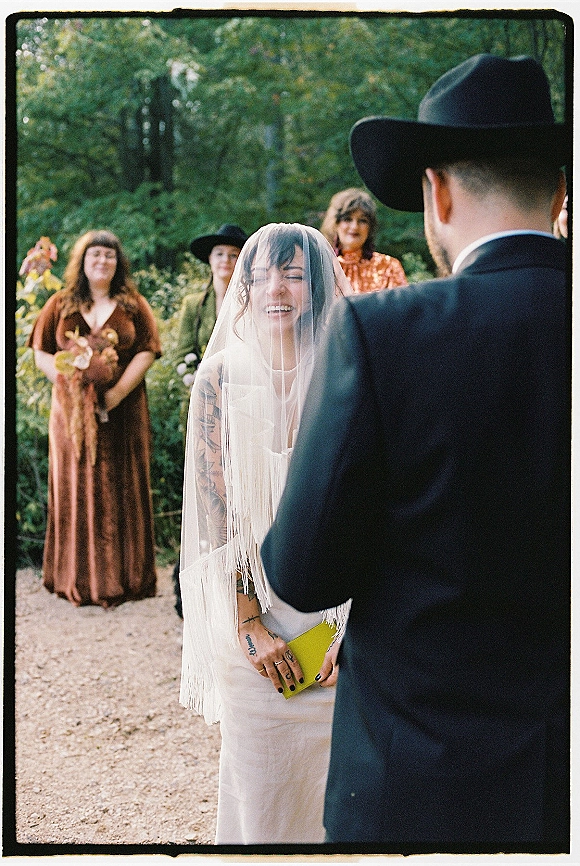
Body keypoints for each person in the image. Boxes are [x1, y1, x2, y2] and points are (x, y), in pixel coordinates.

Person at [261, 54, 570, 850]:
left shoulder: (384, 333)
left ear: (435, 193)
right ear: (560, 192)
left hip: (423, 785)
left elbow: (302, 571)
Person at [178, 223, 352, 844]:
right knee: (260, 789)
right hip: (249, 607)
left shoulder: (346, 372)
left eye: (296, 274)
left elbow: (371, 506)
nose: (278, 288)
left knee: (337, 801)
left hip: (336, 620)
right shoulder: (221, 378)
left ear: (319, 285)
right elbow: (214, 508)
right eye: (263, 274)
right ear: (243, 287)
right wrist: (250, 625)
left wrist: (347, 627)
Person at [28, 229, 162, 608]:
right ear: (82, 262)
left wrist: (116, 395)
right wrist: (69, 382)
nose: (102, 261)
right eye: (94, 255)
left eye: (109, 255)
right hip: (71, 417)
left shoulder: (134, 305)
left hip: (124, 415)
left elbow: (148, 350)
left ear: (118, 264)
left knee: (123, 485)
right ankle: (74, 579)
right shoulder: (61, 304)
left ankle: (128, 579)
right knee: (75, 486)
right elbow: (41, 351)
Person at [172, 223, 249, 617]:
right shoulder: (193, 304)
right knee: (205, 486)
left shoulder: (251, 299)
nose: (226, 261)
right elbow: (183, 350)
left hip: (247, 400)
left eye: (234, 255)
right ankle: (190, 588)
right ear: (211, 261)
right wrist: (201, 382)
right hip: (207, 404)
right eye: (220, 254)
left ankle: (241, 582)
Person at [320, 187, 407, 293]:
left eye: (362, 220)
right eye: (347, 219)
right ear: (335, 223)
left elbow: (402, 308)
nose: (354, 227)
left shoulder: (388, 266)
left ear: (370, 227)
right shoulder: (322, 267)